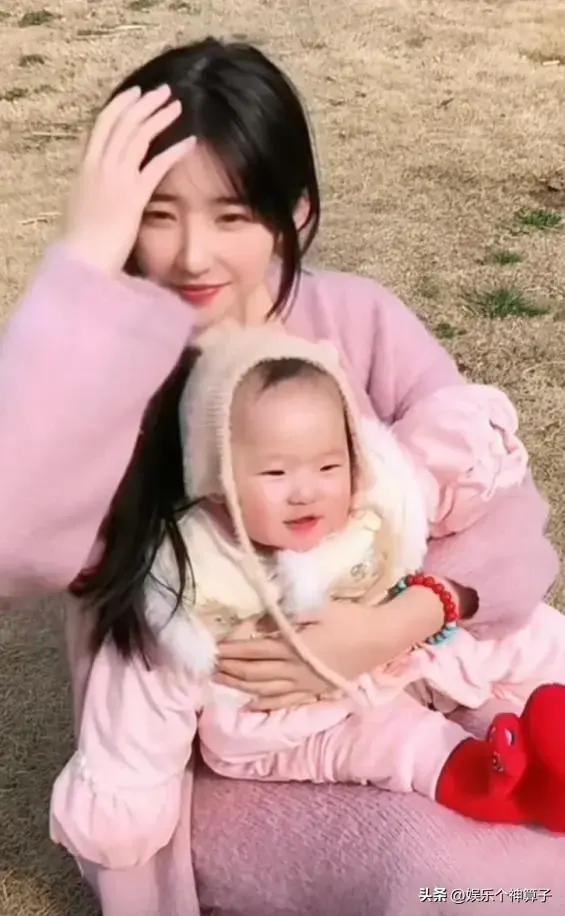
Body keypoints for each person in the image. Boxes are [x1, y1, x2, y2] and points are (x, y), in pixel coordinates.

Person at [0, 37, 560, 916]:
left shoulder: (358, 319)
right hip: (229, 756)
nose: (192, 256)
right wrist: (83, 264)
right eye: (156, 213)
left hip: (416, 674)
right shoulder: (99, 363)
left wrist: (392, 624)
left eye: (230, 215)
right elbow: (11, 536)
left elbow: (504, 514)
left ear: (293, 215)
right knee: (458, 877)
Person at [50, 321, 565, 852]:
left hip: (391, 649)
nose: (306, 492)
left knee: (530, 633)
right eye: (275, 474)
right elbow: (147, 689)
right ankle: (486, 781)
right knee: (390, 741)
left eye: (328, 466)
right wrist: (124, 799)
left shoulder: (375, 494)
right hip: (287, 716)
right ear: (215, 481)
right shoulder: (195, 574)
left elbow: (435, 481)